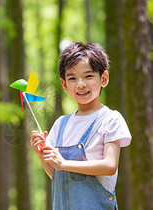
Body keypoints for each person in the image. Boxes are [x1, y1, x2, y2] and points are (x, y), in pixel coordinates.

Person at [30, 42, 132, 209]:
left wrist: (64, 163)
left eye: (88, 76)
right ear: (64, 85)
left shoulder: (110, 119)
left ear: (104, 78)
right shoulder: (60, 124)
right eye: (72, 78)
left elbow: (109, 166)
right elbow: (57, 176)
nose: (80, 84)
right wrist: (42, 154)